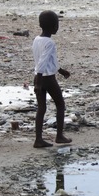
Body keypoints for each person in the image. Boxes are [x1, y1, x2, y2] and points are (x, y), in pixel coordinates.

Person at [32, 10, 72, 148]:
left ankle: (38, 139)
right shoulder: (50, 42)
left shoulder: (37, 39)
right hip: (47, 78)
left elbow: (47, 61)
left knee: (41, 108)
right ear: (55, 26)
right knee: (60, 104)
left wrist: (61, 71)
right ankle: (59, 136)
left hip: (39, 76)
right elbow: (43, 62)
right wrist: (39, 82)